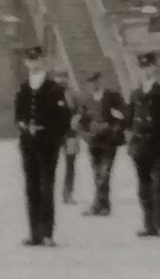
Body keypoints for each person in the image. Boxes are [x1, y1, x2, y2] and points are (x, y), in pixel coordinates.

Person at [14, 47, 71, 247]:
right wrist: (23, 125)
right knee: (31, 187)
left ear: (43, 61)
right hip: (28, 144)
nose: (33, 63)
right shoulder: (23, 88)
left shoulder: (54, 88)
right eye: (30, 60)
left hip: (47, 144)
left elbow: (64, 118)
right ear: (26, 62)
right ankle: (34, 233)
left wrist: (52, 136)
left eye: (37, 59)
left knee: (47, 187)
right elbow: (18, 114)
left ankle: (47, 233)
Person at [77, 71, 127, 216]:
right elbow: (81, 121)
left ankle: (100, 205)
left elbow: (125, 115)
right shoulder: (86, 100)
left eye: (95, 81)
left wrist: (112, 127)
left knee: (104, 172)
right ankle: (102, 205)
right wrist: (88, 130)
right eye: (90, 82)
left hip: (109, 141)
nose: (93, 85)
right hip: (93, 142)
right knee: (97, 173)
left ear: (101, 80)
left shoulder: (112, 97)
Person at [125, 50, 160, 237]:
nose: (147, 70)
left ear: (156, 67)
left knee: (158, 186)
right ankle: (149, 225)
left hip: (157, 143)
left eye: (150, 66)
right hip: (140, 146)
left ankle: (158, 223)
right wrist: (130, 138)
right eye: (144, 67)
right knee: (144, 186)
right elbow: (130, 119)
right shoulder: (136, 93)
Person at [53, 72, 80, 205]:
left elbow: (79, 111)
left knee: (70, 164)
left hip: (70, 133)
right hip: (55, 133)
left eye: (64, 79)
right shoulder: (50, 94)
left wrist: (77, 118)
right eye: (59, 79)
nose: (62, 82)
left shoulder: (73, 95)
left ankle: (68, 193)